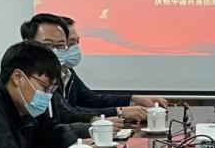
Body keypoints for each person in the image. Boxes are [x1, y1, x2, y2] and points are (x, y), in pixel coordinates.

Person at [20, 14, 168, 122]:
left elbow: (93, 100)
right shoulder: (33, 79)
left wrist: (133, 99)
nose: (69, 49)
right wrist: (119, 112)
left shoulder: (67, 73)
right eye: (69, 43)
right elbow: (67, 113)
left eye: (64, 44)